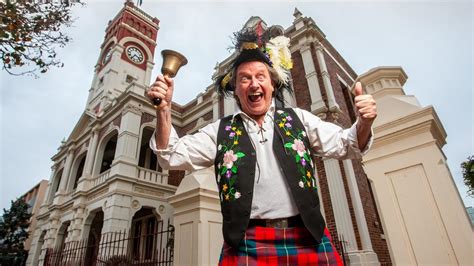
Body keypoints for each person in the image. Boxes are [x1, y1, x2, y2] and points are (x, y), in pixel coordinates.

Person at [147, 20, 376, 265]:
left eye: (260, 76)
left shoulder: (299, 119)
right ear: (235, 88)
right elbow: (170, 155)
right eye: (245, 78)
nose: (254, 84)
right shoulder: (220, 131)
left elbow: (348, 144)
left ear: (272, 83)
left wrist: (363, 122)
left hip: (307, 237)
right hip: (246, 243)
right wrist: (164, 110)